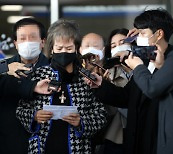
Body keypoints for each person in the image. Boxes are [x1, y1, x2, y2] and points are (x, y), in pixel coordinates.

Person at [85, 9, 173, 154]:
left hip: (160, 140)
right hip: (136, 139)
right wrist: (100, 85)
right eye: (137, 34)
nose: (137, 39)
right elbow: (126, 97)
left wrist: (138, 67)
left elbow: (152, 88)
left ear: (159, 34)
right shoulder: (145, 61)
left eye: (142, 34)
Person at [16, 19, 107, 154]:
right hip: (42, 146)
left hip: (78, 147)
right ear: (52, 49)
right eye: (59, 48)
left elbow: (101, 113)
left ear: (76, 49)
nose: (64, 52)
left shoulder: (87, 78)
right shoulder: (39, 75)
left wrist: (82, 122)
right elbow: (21, 108)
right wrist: (35, 116)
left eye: (69, 48)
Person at [0, 18, 49, 154]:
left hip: (43, 143)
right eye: (22, 38)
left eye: (33, 37)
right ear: (15, 43)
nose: (27, 42)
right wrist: (4, 69)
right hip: (8, 142)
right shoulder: (4, 67)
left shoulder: (53, 69)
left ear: (42, 42)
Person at [101, 28, 134, 154]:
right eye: (113, 46)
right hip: (117, 136)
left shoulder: (144, 69)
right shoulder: (107, 75)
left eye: (122, 43)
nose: (118, 48)